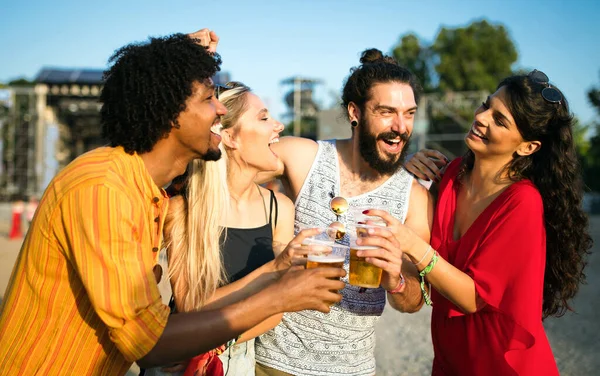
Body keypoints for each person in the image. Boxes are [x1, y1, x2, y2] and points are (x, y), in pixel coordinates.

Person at [0, 30, 345, 375]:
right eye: (210, 98)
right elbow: (149, 344)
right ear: (171, 112)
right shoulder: (104, 187)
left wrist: (179, 53)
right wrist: (279, 295)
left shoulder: (146, 192)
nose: (220, 109)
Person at [388, 70, 592, 375]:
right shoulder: (452, 174)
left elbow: (473, 298)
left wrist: (412, 245)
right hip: (449, 360)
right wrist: (402, 169)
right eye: (486, 105)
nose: (481, 117)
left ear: (528, 147)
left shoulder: (522, 202)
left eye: (500, 120)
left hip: (501, 366)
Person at [254, 49, 433, 376]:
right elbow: (226, 165)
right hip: (271, 362)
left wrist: (395, 277)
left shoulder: (415, 197)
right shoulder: (303, 156)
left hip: (352, 369)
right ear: (355, 112)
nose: (400, 126)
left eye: (409, 113)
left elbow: (412, 303)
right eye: (386, 112)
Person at [146, 82, 296, 376]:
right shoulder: (184, 209)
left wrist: (214, 344)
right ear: (229, 137)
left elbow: (278, 310)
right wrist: (274, 271)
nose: (278, 126)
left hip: (235, 358)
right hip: (181, 364)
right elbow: (191, 305)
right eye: (264, 118)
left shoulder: (280, 208)